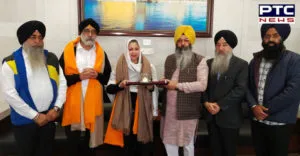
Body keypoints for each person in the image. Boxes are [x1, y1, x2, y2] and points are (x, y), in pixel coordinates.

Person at [1, 20, 67, 156]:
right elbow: (10, 94)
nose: (38, 41)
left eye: (40, 37)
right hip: (25, 122)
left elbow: (62, 84)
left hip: (49, 118)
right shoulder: (10, 62)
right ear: (23, 39)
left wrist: (56, 108)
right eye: (33, 37)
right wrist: (35, 116)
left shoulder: (51, 58)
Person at [59, 18, 112, 156]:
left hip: (93, 103)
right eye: (87, 31)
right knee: (73, 141)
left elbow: (106, 78)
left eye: (93, 31)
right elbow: (60, 79)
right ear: (80, 32)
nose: (90, 34)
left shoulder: (101, 52)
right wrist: (79, 77)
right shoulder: (69, 51)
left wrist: (97, 75)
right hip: (73, 102)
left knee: (90, 143)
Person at [247, 24, 300, 156]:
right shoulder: (255, 60)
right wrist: (254, 106)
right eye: (267, 36)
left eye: (275, 36)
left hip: (280, 121)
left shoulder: (294, 60)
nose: (271, 39)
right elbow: (247, 86)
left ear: (282, 38)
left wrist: (265, 110)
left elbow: (293, 91)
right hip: (257, 121)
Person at [104, 38, 158, 156]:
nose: (133, 52)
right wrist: (120, 85)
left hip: (143, 104)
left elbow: (154, 90)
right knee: (127, 138)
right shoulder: (119, 66)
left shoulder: (149, 66)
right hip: (125, 104)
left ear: (140, 50)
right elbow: (109, 88)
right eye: (130, 49)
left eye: (136, 49)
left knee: (141, 139)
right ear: (126, 51)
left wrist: (154, 111)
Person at [160, 25, 208, 156]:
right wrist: (162, 82)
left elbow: (202, 85)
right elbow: (169, 82)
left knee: (187, 144)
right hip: (169, 111)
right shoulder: (169, 58)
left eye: (186, 40)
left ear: (191, 41)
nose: (182, 44)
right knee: (169, 142)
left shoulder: (200, 60)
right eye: (179, 41)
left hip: (188, 110)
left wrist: (177, 85)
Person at [203, 30, 248, 156]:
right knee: (215, 150)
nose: (221, 48)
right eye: (218, 44)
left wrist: (219, 105)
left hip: (230, 118)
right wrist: (206, 103)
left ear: (232, 46)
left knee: (229, 151)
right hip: (211, 117)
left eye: (225, 45)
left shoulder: (241, 65)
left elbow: (240, 89)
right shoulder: (209, 63)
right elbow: (203, 87)